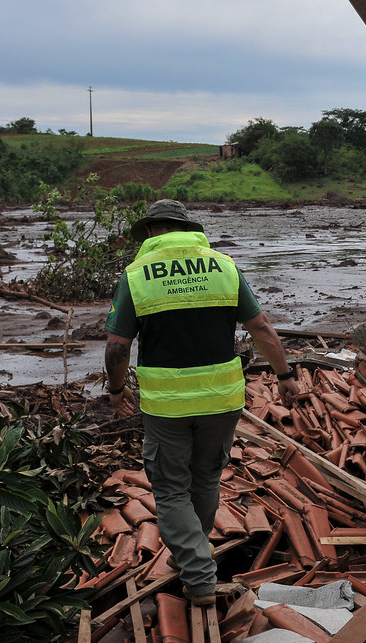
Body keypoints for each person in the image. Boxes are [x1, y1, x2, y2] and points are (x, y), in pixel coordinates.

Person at [104, 199, 300, 606]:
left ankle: (198, 577)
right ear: (186, 228)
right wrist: (285, 376)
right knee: (206, 479)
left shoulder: (137, 275)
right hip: (222, 399)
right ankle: (190, 554)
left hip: (167, 406)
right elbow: (261, 325)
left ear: (153, 232)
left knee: (172, 489)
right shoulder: (223, 267)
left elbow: (118, 347)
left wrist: (117, 389)